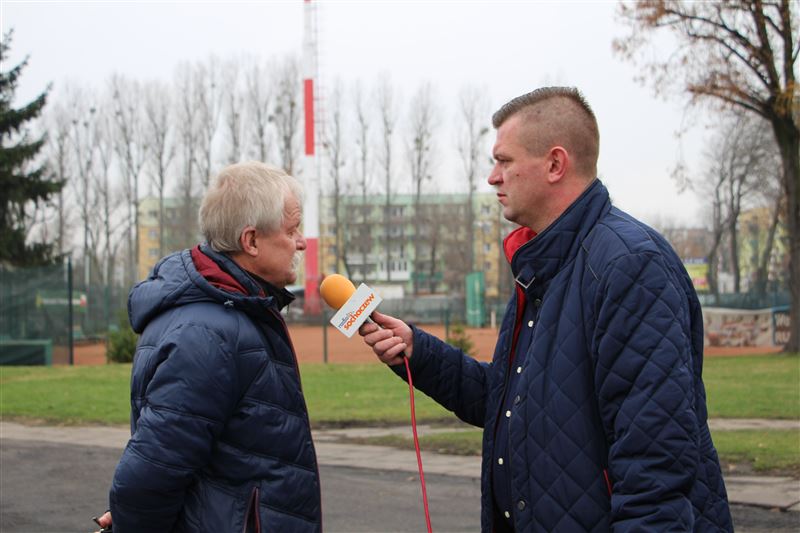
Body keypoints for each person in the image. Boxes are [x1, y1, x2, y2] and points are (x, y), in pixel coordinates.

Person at [359, 87, 733, 532]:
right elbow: (509, 404)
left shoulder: (629, 265)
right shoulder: (542, 267)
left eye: (504, 161)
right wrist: (417, 351)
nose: (492, 178)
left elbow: (655, 457)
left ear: (555, 164)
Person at [96, 161, 321, 532]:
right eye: (291, 229)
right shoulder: (207, 335)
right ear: (251, 241)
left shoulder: (234, 313)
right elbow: (149, 476)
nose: (301, 242)